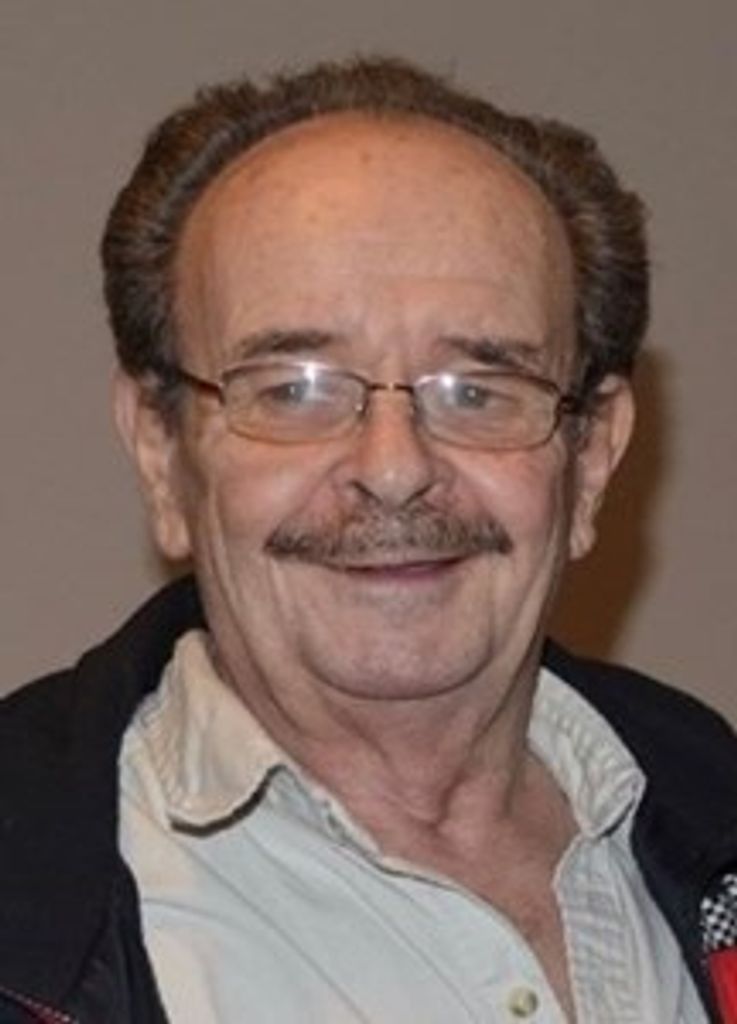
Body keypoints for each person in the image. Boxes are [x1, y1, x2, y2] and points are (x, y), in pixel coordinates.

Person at [1, 56, 735, 1024]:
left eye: (476, 390)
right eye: (293, 389)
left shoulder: (711, 817)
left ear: (590, 456)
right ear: (162, 453)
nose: (393, 468)